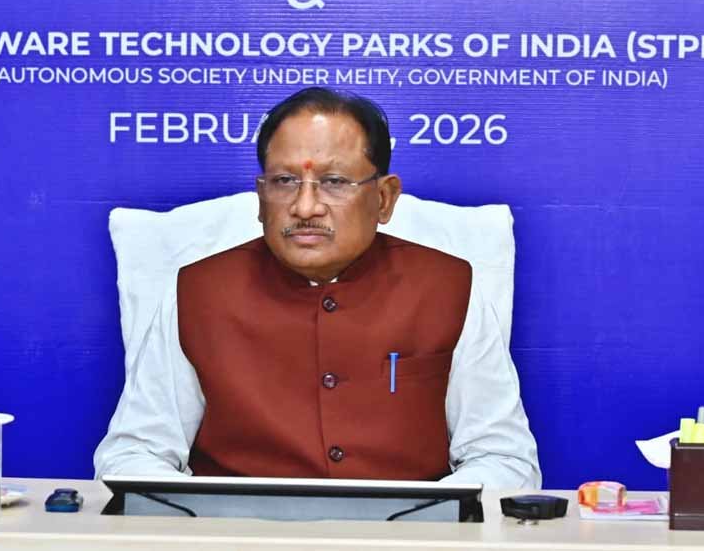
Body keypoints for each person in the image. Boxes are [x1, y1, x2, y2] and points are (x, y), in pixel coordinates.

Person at [94, 87, 541, 488]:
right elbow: (134, 455)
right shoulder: (197, 293)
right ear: (261, 197)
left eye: (334, 182)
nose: (306, 207)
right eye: (285, 182)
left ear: (384, 198)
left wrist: (424, 522)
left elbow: (504, 459)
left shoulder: (449, 288)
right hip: (238, 536)